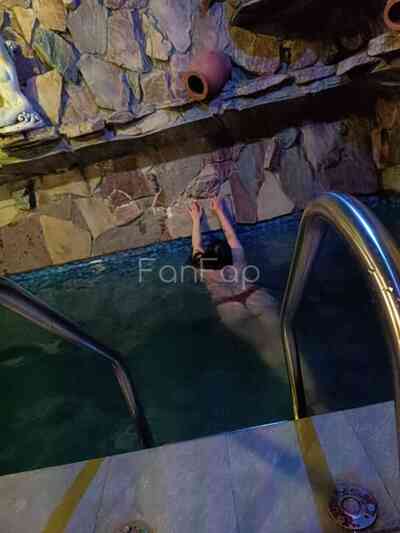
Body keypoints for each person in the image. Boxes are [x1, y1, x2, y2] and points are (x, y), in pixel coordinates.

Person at [188, 196, 286, 376]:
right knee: (282, 343)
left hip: (230, 309)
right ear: (228, 253)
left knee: (262, 347)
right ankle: (309, 388)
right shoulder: (237, 257)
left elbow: (197, 245)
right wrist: (219, 211)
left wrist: (196, 219)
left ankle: (284, 377)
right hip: (257, 298)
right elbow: (230, 235)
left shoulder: (203, 268)